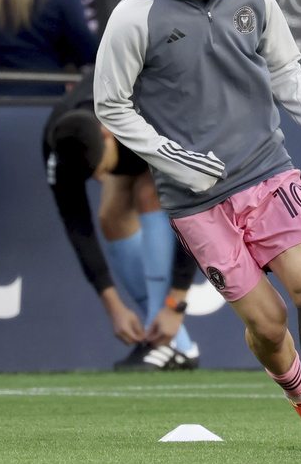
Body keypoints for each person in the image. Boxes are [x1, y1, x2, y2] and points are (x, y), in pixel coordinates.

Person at [94, 0, 301, 453]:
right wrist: (170, 155)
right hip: (196, 200)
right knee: (267, 325)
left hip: (268, 171)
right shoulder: (135, 16)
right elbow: (111, 105)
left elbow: (286, 74)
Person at [44, 73, 201, 370]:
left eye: (100, 169)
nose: (100, 179)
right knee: (111, 217)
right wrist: (113, 305)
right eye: (91, 176)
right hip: (125, 139)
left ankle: (164, 342)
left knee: (148, 193)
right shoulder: (58, 142)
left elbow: (193, 211)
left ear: (106, 133)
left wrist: (175, 303)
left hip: (157, 128)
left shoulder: (151, 112)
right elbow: (77, 225)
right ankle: (176, 345)